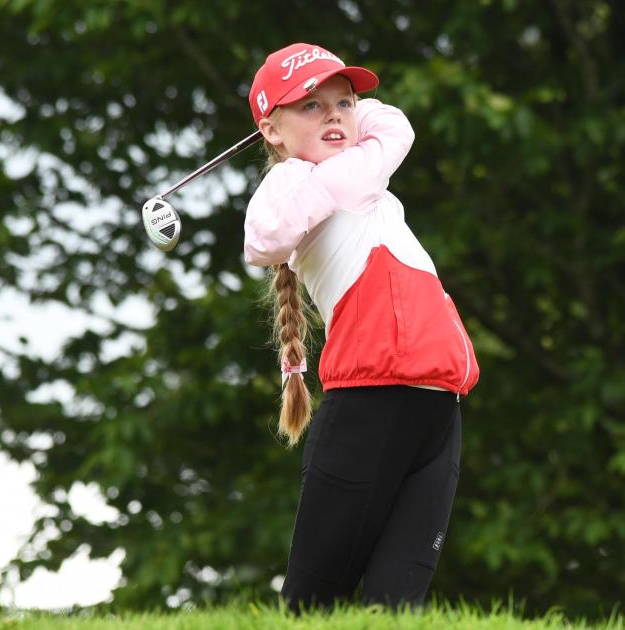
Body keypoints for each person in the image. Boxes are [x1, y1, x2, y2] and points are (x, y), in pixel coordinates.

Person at [241, 43, 481, 611]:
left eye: (343, 102)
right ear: (270, 130)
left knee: (397, 607)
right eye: (309, 106)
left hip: (437, 407)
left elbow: (395, 123)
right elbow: (261, 239)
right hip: (369, 403)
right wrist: (340, 171)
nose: (332, 115)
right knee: (310, 605)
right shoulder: (290, 183)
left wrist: (342, 126)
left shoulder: (366, 169)